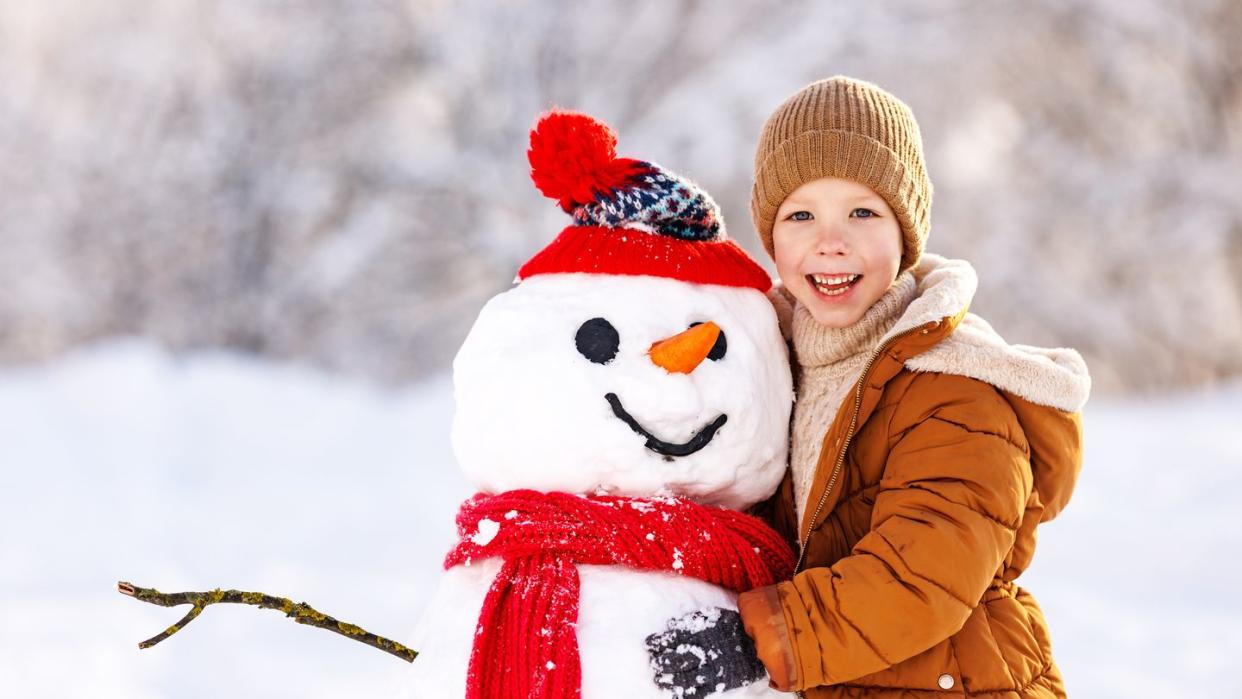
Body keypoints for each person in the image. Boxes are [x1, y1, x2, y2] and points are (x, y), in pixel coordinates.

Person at [737, 76, 1091, 698]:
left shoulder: (956, 391)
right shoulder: (768, 365)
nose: (830, 241)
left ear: (906, 233)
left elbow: (920, 576)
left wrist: (758, 635)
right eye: (800, 214)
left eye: (863, 212)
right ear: (771, 236)